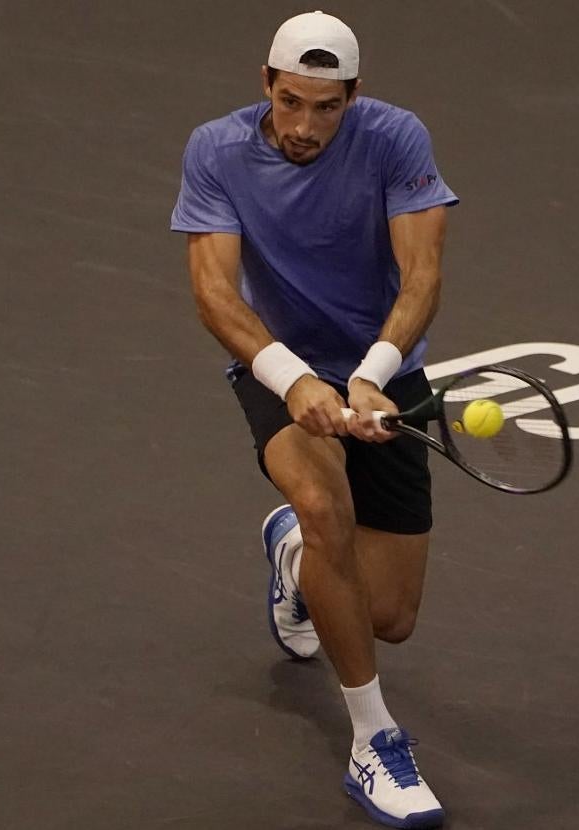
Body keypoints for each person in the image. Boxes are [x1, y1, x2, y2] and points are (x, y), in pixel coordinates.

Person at [170, 11, 457, 828]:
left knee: (387, 618)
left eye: (326, 108)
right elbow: (216, 294)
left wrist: (372, 375)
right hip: (276, 360)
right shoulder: (217, 151)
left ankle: (289, 552)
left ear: (353, 98)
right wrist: (293, 379)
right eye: (291, 102)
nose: (304, 126)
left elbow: (423, 275)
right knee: (328, 507)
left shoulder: (397, 140)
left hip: (383, 367)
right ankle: (375, 743)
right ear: (265, 85)